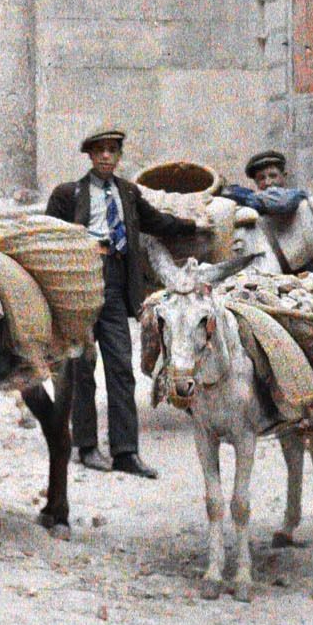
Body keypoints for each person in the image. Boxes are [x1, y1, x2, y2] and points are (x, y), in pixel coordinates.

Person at [45, 126, 198, 478]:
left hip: (115, 284)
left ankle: (126, 451)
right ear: (89, 155)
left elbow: (157, 222)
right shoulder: (68, 194)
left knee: (120, 368)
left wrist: (194, 226)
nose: (105, 157)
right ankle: (85, 446)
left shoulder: (128, 193)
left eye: (112, 151)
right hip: (80, 284)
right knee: (82, 366)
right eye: (99, 150)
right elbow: (49, 239)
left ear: (119, 156)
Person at [224, 148, 313, 280]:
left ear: (284, 176)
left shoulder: (296, 196)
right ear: (256, 182)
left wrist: (237, 194)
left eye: (273, 175)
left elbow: (281, 202)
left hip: (309, 275)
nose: (268, 182)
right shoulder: (256, 204)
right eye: (261, 178)